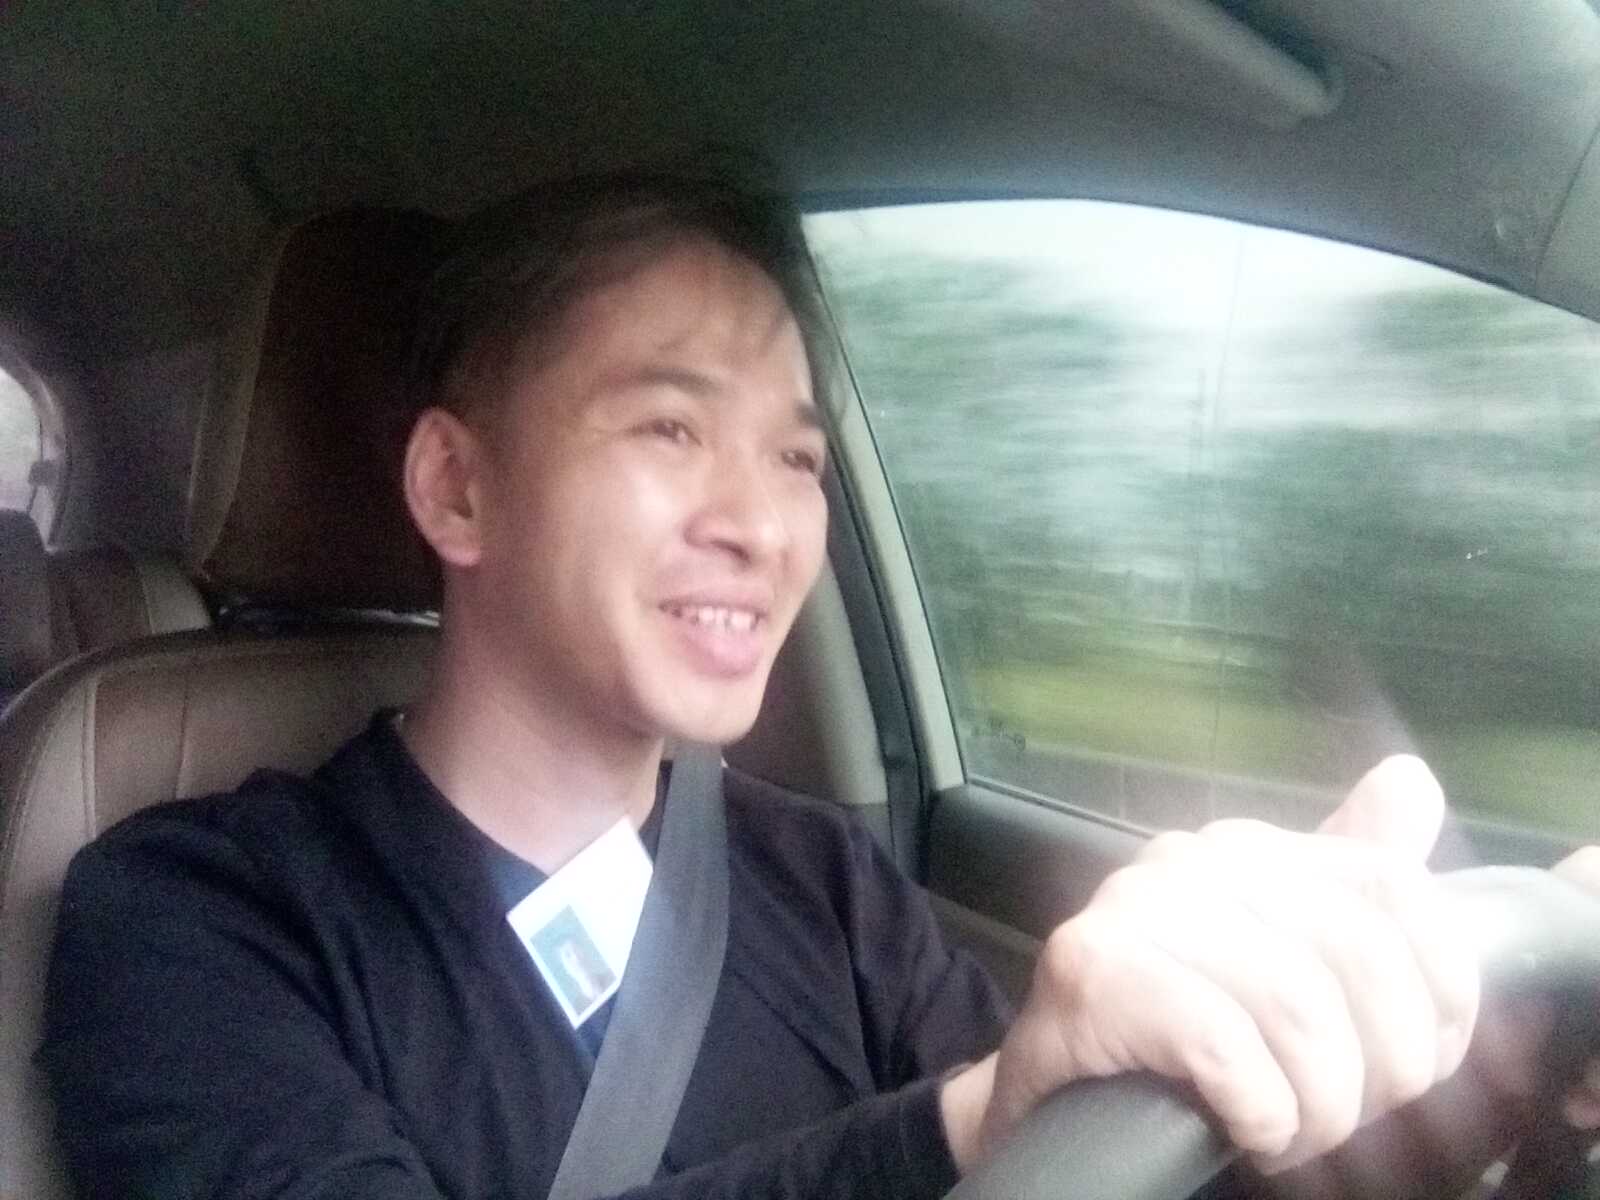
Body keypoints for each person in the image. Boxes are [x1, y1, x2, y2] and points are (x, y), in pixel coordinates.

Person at [40, 169, 1600, 1200]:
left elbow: (1091, 1165)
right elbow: (998, 1130)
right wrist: (968, 1128)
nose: (765, 523)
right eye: (670, 428)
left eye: (796, 458)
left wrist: (1464, 1091)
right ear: (458, 488)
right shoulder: (190, 910)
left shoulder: (822, 881)